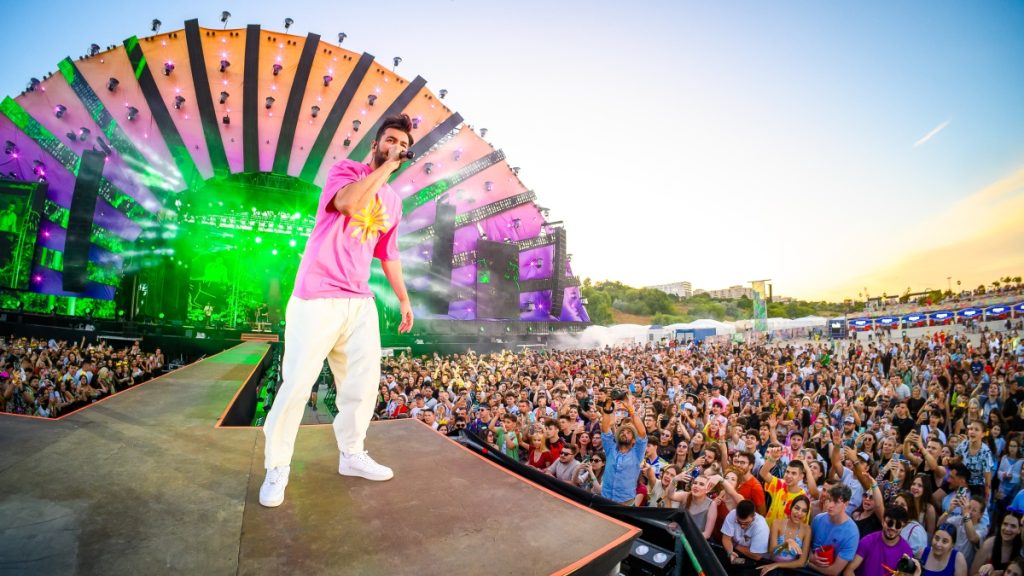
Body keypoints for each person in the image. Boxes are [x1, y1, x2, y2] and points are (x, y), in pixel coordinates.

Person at [259, 115, 416, 508]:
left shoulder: (394, 203)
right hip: (317, 296)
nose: (396, 147)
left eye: (402, 144)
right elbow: (347, 203)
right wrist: (387, 168)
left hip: (359, 300)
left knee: (362, 384)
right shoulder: (345, 171)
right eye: (391, 140)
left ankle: (352, 454)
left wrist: (404, 299)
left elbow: (389, 254)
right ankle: (277, 466)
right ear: (376, 144)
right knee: (297, 384)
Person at [599, 393, 647, 505]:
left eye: (629, 432)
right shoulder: (610, 448)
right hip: (605, 498)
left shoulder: (637, 453)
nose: (624, 433)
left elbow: (642, 433)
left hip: (625, 502)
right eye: (622, 431)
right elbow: (605, 429)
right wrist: (607, 408)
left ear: (634, 440)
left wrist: (631, 409)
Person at [845, 505, 914, 576]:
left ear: (903, 527)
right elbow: (849, 570)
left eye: (898, 525)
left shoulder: (906, 551)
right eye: (890, 523)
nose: (893, 528)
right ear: (882, 521)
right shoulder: (867, 541)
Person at [808, 484, 859, 576]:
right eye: (829, 500)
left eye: (836, 502)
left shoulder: (852, 533)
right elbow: (806, 544)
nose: (830, 505)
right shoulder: (818, 519)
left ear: (846, 504)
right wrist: (811, 556)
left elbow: (834, 571)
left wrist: (809, 564)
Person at [757, 494, 811, 575]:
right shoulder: (777, 523)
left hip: (791, 569)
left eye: (804, 511)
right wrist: (785, 545)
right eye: (796, 508)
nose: (799, 513)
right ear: (790, 508)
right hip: (772, 566)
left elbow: (801, 562)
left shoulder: (807, 530)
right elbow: (771, 552)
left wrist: (777, 565)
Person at [970, 512, 1022, 576]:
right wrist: (988, 574)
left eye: (1013, 526)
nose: (1007, 529)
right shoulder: (989, 544)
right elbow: (972, 574)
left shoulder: (1021, 548)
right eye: (1005, 524)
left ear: (1019, 530)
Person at [721, 499, 770, 567]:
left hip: (754, 560)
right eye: (739, 522)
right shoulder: (732, 514)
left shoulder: (761, 527)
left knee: (740, 569)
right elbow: (726, 539)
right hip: (735, 552)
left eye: (746, 523)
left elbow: (757, 556)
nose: (742, 526)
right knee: (720, 562)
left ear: (753, 516)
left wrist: (735, 545)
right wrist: (730, 552)